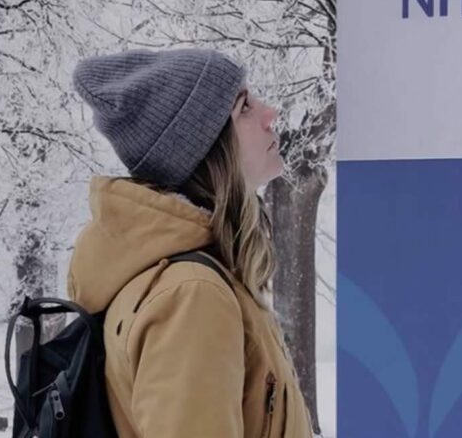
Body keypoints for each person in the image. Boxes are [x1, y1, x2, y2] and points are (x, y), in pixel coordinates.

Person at [67, 48, 313, 437]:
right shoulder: (192, 297)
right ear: (207, 148)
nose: (270, 114)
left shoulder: (193, 280)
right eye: (244, 107)